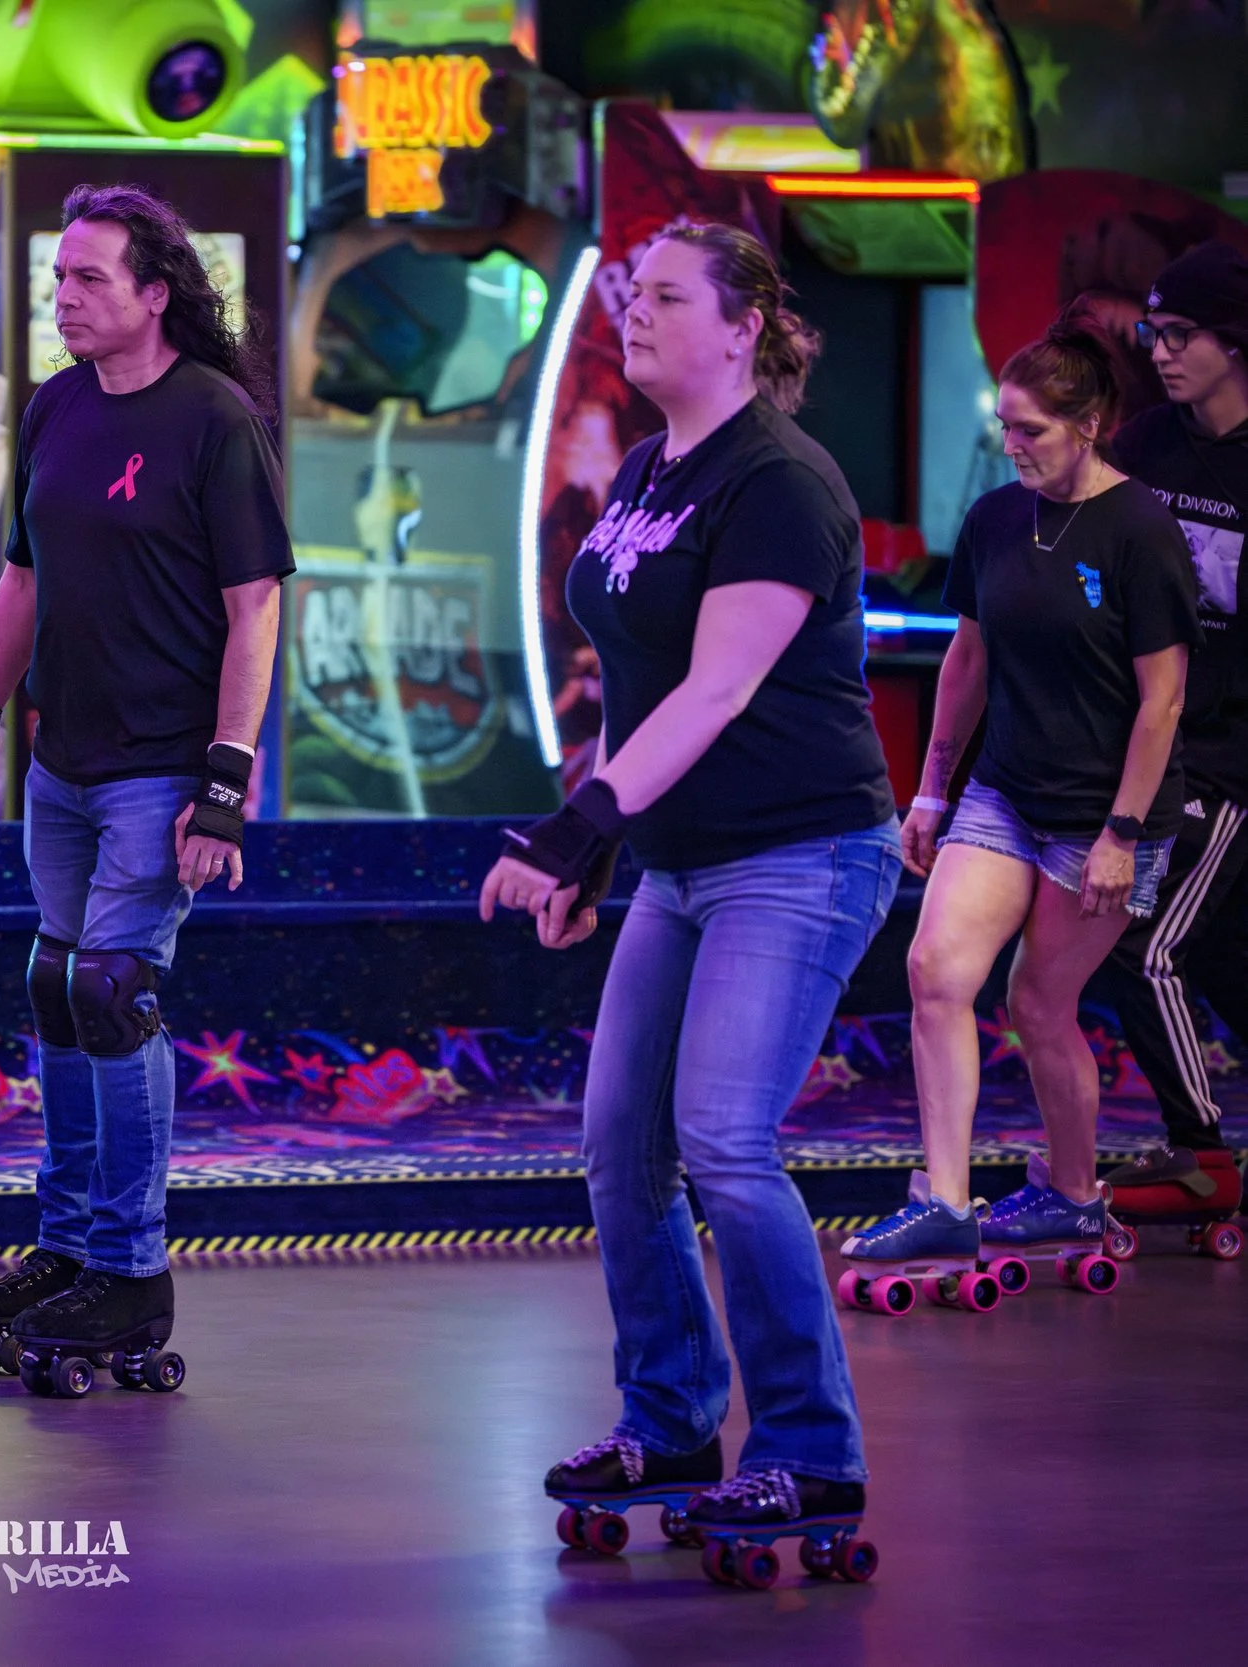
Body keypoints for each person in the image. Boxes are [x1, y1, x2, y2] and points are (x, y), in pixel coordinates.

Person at [483, 220, 901, 1537]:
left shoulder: (778, 478)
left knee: (724, 1136)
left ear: (742, 326)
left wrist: (577, 823)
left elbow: (718, 688)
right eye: (630, 293)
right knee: (621, 1143)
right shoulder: (653, 470)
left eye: (665, 295)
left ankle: (811, 1447)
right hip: (678, 859)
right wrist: (597, 843)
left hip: (801, 848)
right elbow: (636, 685)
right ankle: (669, 1421)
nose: (635, 312)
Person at [0, 183, 291, 1388]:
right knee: (56, 988)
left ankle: (130, 1270)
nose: (64, 298)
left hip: (160, 768)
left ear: (154, 292)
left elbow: (256, 611)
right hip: (61, 761)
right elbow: (21, 584)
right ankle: (71, 1243)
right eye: (58, 278)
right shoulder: (55, 409)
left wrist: (228, 778)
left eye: (89, 278)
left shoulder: (211, 420)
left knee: (115, 990)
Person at [849, 318, 1195, 1269]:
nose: (1012, 446)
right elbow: (968, 658)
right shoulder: (999, 517)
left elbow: (1162, 703)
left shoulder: (1140, 530)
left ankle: (1075, 1196)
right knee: (936, 973)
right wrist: (929, 794)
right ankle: (947, 1200)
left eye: (1032, 429)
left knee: (1040, 1001)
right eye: (1004, 425)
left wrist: (1123, 831)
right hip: (1005, 793)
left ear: (1089, 425)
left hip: (1107, 816)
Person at [1092, 243, 1248, 1225]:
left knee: (1140, 946)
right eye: (1151, 330)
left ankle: (1199, 1150)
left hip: (1230, 762)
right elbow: (1094, 567)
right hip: (1149, 748)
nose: (1159, 349)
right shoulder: (1148, 441)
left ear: (1235, 341)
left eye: (1179, 331)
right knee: (1219, 955)